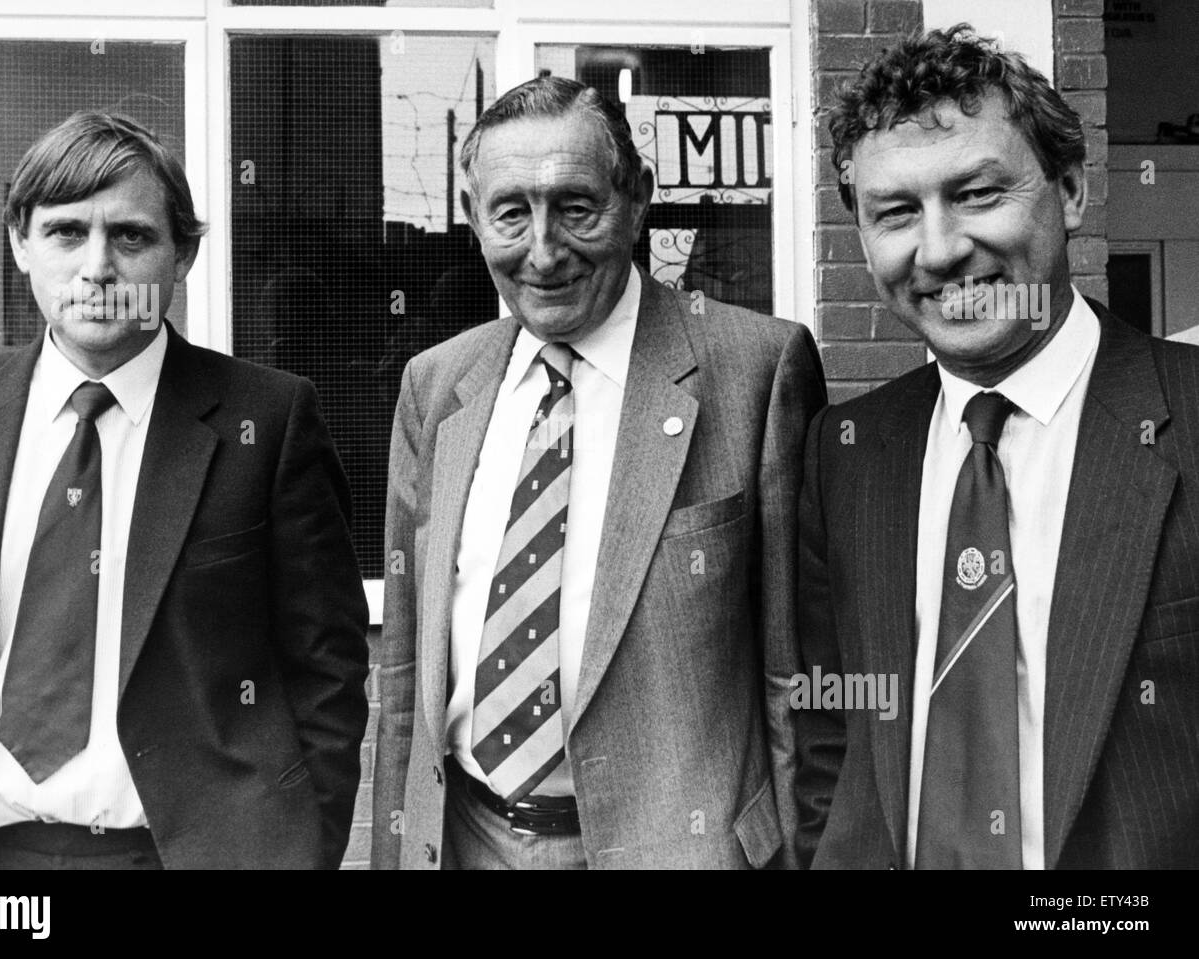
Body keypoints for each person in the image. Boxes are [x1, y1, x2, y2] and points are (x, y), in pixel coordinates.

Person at [372, 76, 826, 869]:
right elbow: (408, 665)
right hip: (469, 842)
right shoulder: (436, 385)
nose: (543, 252)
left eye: (576, 207)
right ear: (473, 214)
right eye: (510, 211)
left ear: (636, 199)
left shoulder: (756, 369)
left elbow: (797, 678)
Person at [0, 111, 369, 869]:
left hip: (180, 856)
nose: (97, 268)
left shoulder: (267, 422)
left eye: (131, 236)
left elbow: (328, 668)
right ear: (21, 242)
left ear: (182, 253)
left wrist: (300, 848)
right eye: (65, 231)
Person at [795, 26, 1199, 869]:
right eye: (896, 212)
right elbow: (834, 724)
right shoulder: (846, 451)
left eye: (978, 193)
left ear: (1074, 190)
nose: (939, 250)